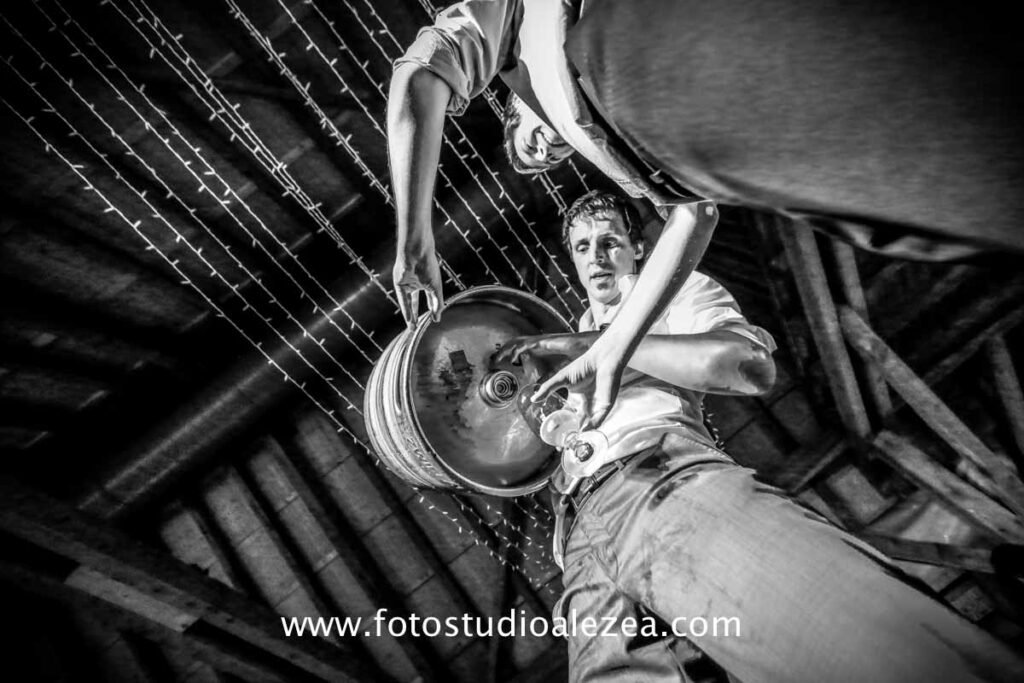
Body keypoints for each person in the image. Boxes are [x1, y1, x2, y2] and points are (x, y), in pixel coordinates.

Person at [387, 0, 1024, 425]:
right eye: (549, 159)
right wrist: (611, 349)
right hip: (766, 163)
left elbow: (419, 76)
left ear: (507, 102)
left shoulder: (518, 23)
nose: (545, 151)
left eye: (530, 138)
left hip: (682, 51)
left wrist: (416, 242)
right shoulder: (629, 165)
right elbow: (696, 216)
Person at [495, 191, 1024, 683]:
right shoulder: (571, 337)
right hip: (581, 543)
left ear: (637, 248)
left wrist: (595, 347)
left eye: (610, 241)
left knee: (837, 633)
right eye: (582, 247)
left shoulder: (673, 290)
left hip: (657, 480)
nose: (596, 256)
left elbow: (746, 366)